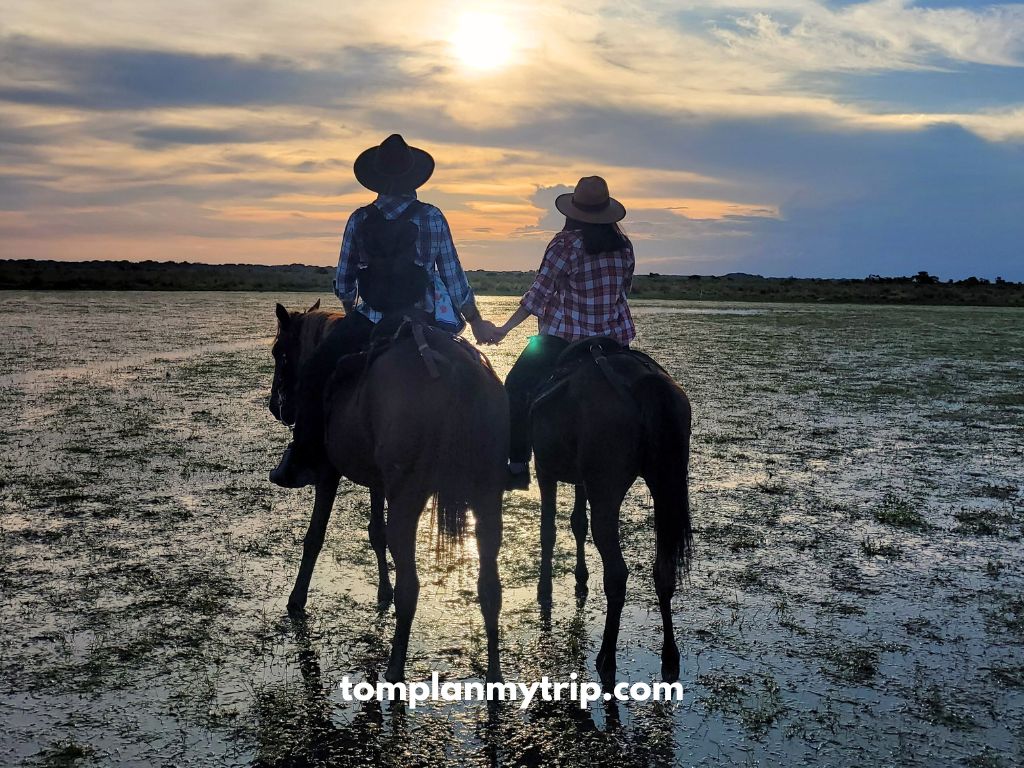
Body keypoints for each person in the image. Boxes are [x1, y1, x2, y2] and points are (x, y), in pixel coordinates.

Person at [270, 134, 496, 488]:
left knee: (314, 372)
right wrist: (475, 319)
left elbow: (343, 281)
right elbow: (452, 274)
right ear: (414, 179)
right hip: (425, 317)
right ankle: (493, 457)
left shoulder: (359, 219)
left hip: (371, 318)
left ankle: (304, 458)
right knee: (474, 372)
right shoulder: (433, 216)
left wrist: (351, 310)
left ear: (376, 179)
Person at [487, 176, 635, 489]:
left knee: (515, 386)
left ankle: (516, 466)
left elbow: (537, 296)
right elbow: (624, 291)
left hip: (565, 339)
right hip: (613, 340)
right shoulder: (624, 246)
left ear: (572, 211)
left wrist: (503, 329)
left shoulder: (565, 244)